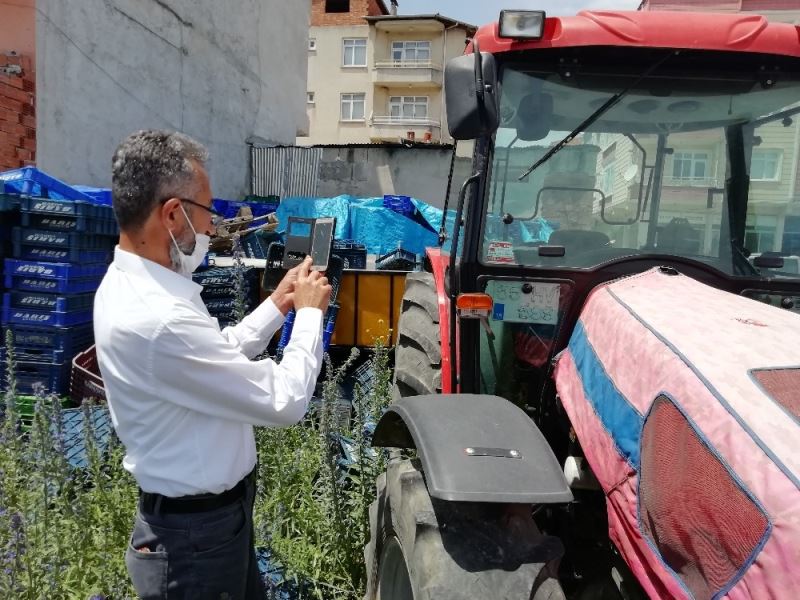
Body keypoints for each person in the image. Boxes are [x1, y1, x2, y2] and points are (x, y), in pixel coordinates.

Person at [93, 129, 331, 599]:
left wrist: (278, 305)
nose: (210, 228)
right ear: (172, 214)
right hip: (195, 543)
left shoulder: (143, 287)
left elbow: (212, 356)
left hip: (208, 527)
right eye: (207, 211)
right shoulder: (158, 316)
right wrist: (309, 315)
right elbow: (285, 401)